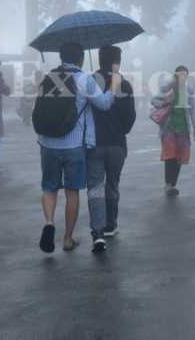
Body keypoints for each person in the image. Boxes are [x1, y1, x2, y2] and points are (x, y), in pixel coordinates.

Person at [34, 42, 118, 254]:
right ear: (80, 58)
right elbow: (105, 104)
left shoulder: (48, 77)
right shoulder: (84, 79)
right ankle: (68, 239)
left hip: (48, 143)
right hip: (74, 146)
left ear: (61, 57)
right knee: (72, 191)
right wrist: (114, 86)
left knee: (49, 188)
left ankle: (49, 223)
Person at [89, 46, 136, 248]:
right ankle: (111, 225)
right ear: (117, 61)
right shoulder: (123, 84)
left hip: (94, 144)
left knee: (96, 187)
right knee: (112, 185)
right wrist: (121, 130)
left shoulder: (90, 82)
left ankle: (97, 230)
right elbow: (130, 116)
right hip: (116, 144)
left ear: (99, 59)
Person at [151, 65, 195, 196]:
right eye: (180, 75)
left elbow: (193, 110)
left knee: (180, 157)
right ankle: (168, 185)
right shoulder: (167, 88)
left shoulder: (189, 90)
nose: (182, 77)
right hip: (169, 127)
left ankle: (173, 184)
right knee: (170, 156)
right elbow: (153, 100)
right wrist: (165, 102)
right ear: (175, 75)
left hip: (183, 128)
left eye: (185, 75)